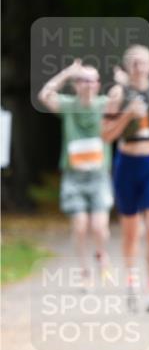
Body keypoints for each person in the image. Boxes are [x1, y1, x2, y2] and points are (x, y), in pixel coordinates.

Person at [102, 45, 149, 312]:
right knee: (131, 231)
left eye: (142, 62)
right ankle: (132, 280)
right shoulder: (117, 94)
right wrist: (126, 115)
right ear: (126, 66)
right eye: (133, 63)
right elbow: (105, 134)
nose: (138, 67)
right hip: (127, 164)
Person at [38, 59, 112, 280]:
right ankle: (84, 268)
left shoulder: (104, 105)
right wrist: (67, 72)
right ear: (75, 84)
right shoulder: (68, 105)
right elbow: (44, 96)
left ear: (98, 84)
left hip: (99, 175)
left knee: (99, 227)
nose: (87, 85)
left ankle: (101, 253)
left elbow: (127, 101)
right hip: (74, 176)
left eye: (92, 81)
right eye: (82, 80)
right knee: (80, 226)